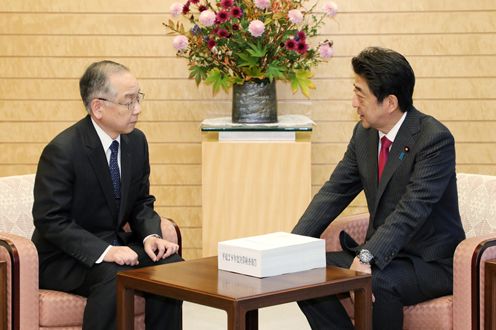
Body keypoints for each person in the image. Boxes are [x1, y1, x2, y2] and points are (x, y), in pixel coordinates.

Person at [292, 47, 466, 329]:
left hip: (428, 262)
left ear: (390, 102)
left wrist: (367, 255)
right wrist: (292, 244)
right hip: (383, 252)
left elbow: (411, 210)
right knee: (303, 271)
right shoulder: (364, 135)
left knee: (379, 281)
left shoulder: (434, 139)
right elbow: (334, 192)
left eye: (360, 95)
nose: (353, 103)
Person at [32, 60, 183, 330]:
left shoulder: (136, 141)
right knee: (115, 274)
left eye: (138, 99)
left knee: (169, 265)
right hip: (65, 258)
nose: (137, 109)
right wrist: (106, 251)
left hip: (116, 245)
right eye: (128, 102)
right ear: (98, 107)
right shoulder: (63, 150)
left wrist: (151, 236)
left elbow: (140, 202)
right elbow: (50, 220)